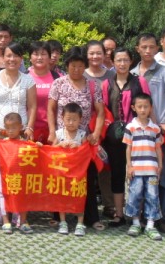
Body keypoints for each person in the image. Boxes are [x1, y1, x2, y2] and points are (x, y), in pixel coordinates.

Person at [131, 33, 165, 232]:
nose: (147, 51)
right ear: (137, 49)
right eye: (144, 47)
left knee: (163, 176)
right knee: (139, 176)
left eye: (151, 47)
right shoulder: (132, 73)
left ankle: (163, 216)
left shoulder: (164, 71)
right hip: (137, 134)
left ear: (157, 48)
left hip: (159, 133)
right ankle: (139, 215)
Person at [47, 46, 105, 231]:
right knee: (60, 177)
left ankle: (90, 217)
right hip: (62, 140)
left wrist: (96, 133)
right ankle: (57, 215)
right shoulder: (58, 83)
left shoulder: (93, 85)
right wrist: (52, 131)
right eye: (73, 65)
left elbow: (100, 112)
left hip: (83, 142)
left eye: (80, 66)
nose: (77, 69)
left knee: (85, 178)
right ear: (67, 65)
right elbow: (51, 109)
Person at [0, 40, 36, 230]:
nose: (12, 59)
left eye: (15, 56)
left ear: (21, 58)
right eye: (8, 55)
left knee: (19, 176)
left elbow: (32, 106)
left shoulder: (28, 80)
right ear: (2, 57)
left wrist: (30, 127)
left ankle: (18, 211)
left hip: (20, 136)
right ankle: (1, 210)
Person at [102, 47, 150, 227]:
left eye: (125, 60)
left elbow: (147, 106)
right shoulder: (107, 84)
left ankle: (138, 213)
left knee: (138, 174)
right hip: (114, 138)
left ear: (131, 61)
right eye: (118, 60)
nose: (122, 64)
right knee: (117, 173)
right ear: (113, 62)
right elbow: (104, 110)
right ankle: (119, 213)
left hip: (137, 136)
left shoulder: (140, 81)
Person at [83, 40, 116, 222]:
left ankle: (109, 205)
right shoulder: (81, 73)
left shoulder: (112, 75)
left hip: (108, 129)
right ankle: (85, 205)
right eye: (91, 53)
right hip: (85, 130)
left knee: (106, 167)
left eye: (99, 53)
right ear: (86, 55)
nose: (95, 56)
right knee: (86, 169)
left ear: (104, 55)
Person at [123, 93, 164, 241]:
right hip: (136, 170)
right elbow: (128, 148)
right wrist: (129, 166)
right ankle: (135, 223)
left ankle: (150, 225)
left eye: (146, 106)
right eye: (139, 106)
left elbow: (158, 148)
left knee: (152, 196)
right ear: (133, 108)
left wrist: (160, 165)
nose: (142, 109)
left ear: (151, 108)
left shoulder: (155, 129)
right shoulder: (130, 127)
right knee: (135, 194)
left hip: (152, 170)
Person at [0, 112, 26, 234]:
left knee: (19, 193)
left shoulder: (24, 142)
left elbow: (32, 152)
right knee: (4, 193)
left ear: (21, 127)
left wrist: (37, 146)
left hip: (18, 176)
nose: (10, 131)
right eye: (7, 128)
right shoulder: (3, 142)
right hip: (6, 176)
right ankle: (4, 216)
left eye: (14, 128)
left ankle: (17, 214)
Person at [54, 103, 88, 236]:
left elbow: (87, 152)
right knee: (61, 196)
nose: (71, 123)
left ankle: (80, 223)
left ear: (80, 120)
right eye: (68, 119)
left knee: (79, 196)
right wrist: (60, 145)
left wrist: (78, 147)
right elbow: (51, 150)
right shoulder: (59, 133)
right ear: (62, 118)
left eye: (74, 120)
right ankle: (63, 222)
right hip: (62, 172)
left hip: (78, 173)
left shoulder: (82, 134)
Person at [27, 41, 58, 144]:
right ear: (30, 58)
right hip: (28, 130)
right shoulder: (24, 77)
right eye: (36, 54)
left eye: (43, 54)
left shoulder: (58, 78)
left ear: (49, 58)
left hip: (52, 130)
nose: (39, 57)